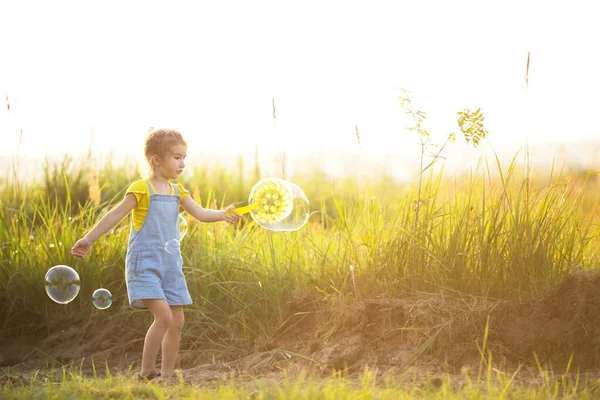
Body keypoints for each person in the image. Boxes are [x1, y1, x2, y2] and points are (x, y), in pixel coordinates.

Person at [71, 128, 240, 381]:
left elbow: (202, 213)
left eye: (184, 157)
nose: (182, 163)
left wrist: (222, 215)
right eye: (176, 157)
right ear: (156, 160)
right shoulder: (142, 188)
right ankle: (146, 371)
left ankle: (167, 375)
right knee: (163, 316)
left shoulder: (177, 192)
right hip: (145, 264)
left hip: (171, 265)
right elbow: (115, 214)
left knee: (177, 321)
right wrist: (89, 238)